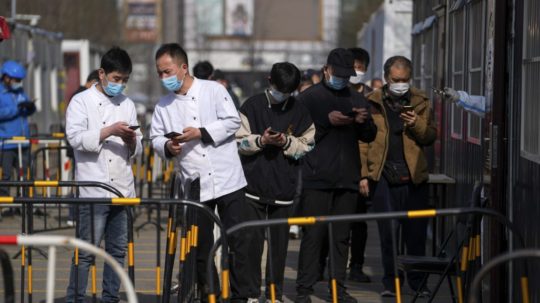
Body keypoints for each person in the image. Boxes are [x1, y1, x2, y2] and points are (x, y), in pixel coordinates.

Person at [149, 43, 249, 302]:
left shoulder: (214, 90)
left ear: (183, 67)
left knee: (237, 240)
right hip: (193, 181)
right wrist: (169, 146)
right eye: (159, 73)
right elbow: (155, 139)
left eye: (167, 71)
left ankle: (241, 295)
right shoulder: (163, 106)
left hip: (227, 177)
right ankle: (210, 293)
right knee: (200, 244)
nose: (164, 78)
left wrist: (201, 132)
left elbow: (232, 121)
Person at [294, 48, 377, 303]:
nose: (342, 79)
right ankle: (304, 289)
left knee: (342, 237)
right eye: (338, 74)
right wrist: (327, 122)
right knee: (313, 235)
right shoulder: (309, 98)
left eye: (347, 75)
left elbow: (369, 136)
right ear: (326, 70)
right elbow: (299, 137)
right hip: (316, 177)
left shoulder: (356, 98)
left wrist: (362, 121)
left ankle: (338, 288)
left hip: (347, 178)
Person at [65, 47, 143, 303]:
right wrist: (107, 131)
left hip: (122, 188)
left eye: (124, 80)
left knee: (117, 250)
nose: (119, 85)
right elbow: (75, 138)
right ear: (102, 73)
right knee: (86, 250)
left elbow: (138, 147)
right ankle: (75, 297)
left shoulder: (128, 104)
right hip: (94, 188)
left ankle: (111, 298)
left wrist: (132, 140)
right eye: (116, 79)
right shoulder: (81, 101)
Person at [236, 62, 315, 303]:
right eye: (280, 90)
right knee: (251, 244)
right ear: (269, 81)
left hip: (284, 187)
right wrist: (261, 140)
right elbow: (238, 142)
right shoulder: (252, 105)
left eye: (288, 92)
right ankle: (250, 293)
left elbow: (308, 145)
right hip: (252, 186)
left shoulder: (300, 110)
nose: (283, 95)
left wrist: (286, 143)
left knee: (279, 247)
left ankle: (274, 294)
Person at [359, 56, 436, 297]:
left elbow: (430, 136)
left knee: (416, 235)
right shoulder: (371, 102)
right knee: (388, 234)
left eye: (405, 80)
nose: (400, 84)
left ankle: (418, 283)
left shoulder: (420, 101)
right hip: (382, 176)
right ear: (386, 78)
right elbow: (362, 141)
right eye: (396, 80)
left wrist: (416, 124)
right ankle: (391, 283)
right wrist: (363, 175)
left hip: (414, 176)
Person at [0, 60, 36, 216]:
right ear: (6, 78)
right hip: (7, 143)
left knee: (26, 174)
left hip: (24, 141)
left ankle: (26, 204)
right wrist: (16, 108)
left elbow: (24, 112)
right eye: (16, 80)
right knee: (6, 176)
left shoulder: (20, 92)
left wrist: (30, 107)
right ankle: (4, 205)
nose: (18, 83)